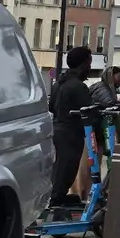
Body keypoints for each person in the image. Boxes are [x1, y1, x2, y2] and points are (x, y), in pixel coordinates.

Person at [49, 46, 94, 205]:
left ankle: (56, 199)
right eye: (89, 63)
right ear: (82, 64)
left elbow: (51, 107)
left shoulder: (58, 84)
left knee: (59, 169)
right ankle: (55, 202)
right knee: (67, 170)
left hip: (57, 130)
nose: (90, 67)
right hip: (72, 134)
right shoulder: (78, 86)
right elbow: (90, 112)